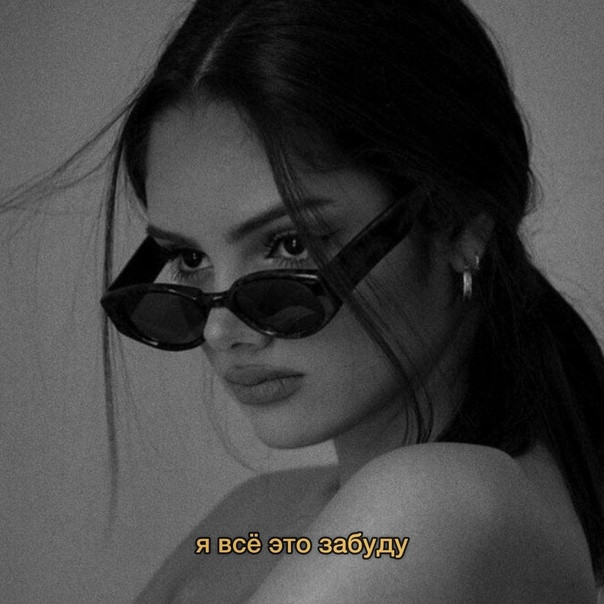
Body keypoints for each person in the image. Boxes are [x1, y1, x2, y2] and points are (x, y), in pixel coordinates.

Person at [8, 0, 604, 601]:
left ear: (458, 223)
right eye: (188, 258)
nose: (219, 330)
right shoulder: (257, 520)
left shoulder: (430, 509)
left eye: (290, 244)